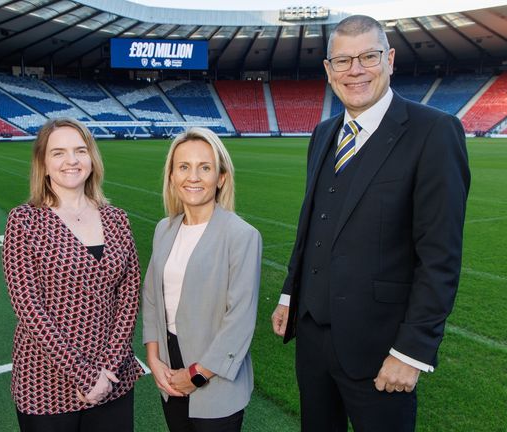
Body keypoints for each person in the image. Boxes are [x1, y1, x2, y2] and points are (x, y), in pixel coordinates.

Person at [271, 15, 470, 432]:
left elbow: (440, 258)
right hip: (312, 341)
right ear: (328, 70)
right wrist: (291, 293)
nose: (355, 70)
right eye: (342, 61)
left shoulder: (434, 132)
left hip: (381, 352)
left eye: (368, 56)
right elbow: (313, 224)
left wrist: (411, 352)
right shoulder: (324, 133)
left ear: (390, 59)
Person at [2, 118, 143, 432]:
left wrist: (106, 369)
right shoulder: (24, 220)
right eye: (58, 152)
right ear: (43, 163)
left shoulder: (117, 218)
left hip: (113, 380)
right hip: (45, 384)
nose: (71, 161)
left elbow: (129, 298)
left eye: (80, 150)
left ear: (92, 159)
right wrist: (86, 376)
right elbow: (29, 309)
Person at [143, 127, 262, 432]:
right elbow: (152, 298)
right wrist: (154, 359)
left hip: (215, 378)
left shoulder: (241, 236)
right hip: (169, 370)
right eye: (184, 167)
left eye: (204, 167)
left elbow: (240, 321)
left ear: (221, 178)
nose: (193, 177)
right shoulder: (163, 229)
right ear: (171, 175)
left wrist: (196, 374)